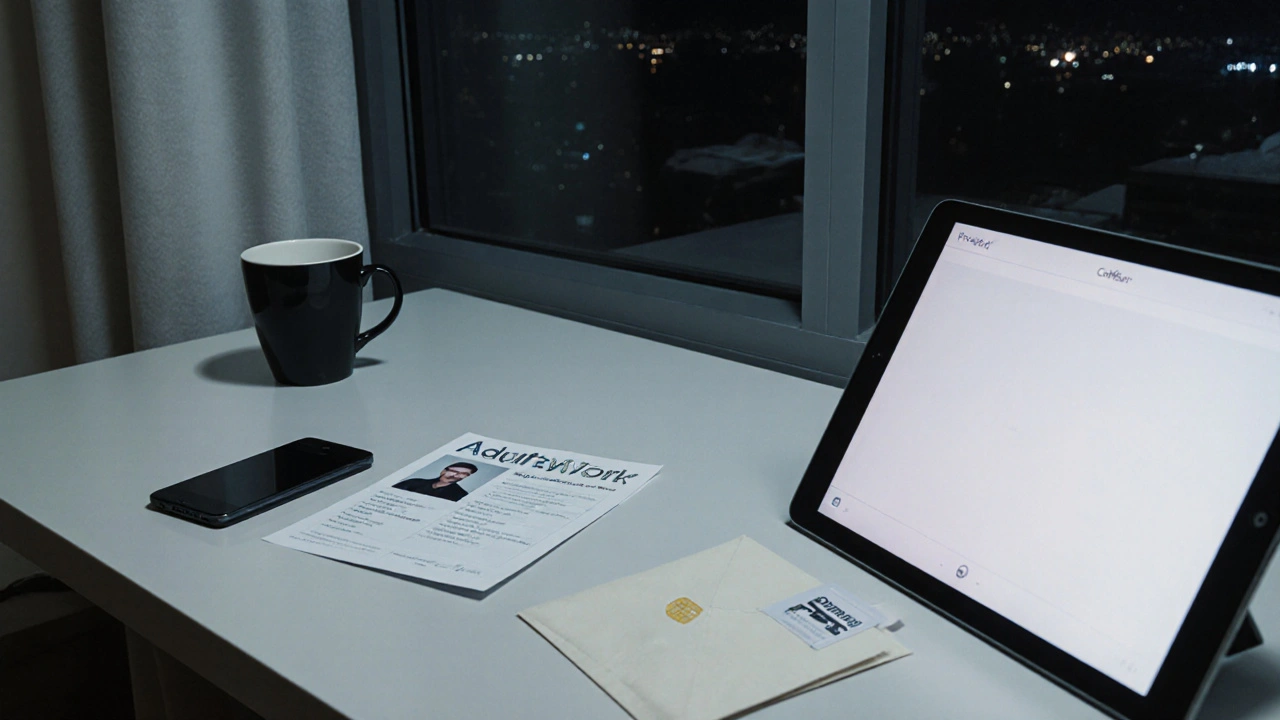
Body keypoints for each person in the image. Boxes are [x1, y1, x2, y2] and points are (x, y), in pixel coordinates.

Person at [393, 462, 478, 501]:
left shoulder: (461, 495)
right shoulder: (414, 482)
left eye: (463, 474)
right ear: (443, 471)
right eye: (453, 471)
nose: (455, 475)